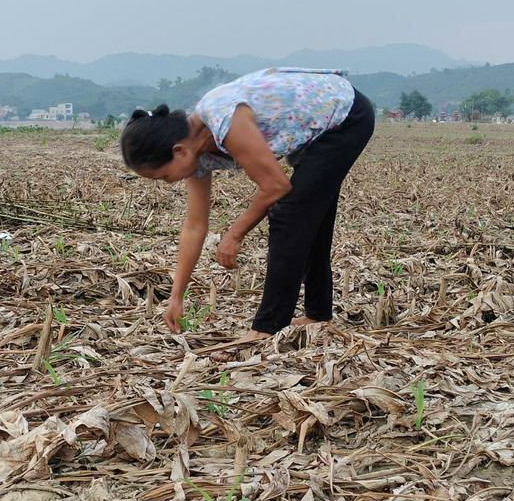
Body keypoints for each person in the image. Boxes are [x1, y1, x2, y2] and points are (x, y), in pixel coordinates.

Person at [119, 68, 375, 339]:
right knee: (309, 216)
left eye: (164, 176)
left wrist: (235, 233)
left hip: (345, 115)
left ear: (178, 151)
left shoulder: (225, 121)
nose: (169, 182)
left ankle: (267, 329)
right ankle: (317, 315)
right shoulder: (194, 150)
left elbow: (276, 185)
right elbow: (194, 226)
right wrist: (176, 297)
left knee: (289, 213)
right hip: (323, 126)